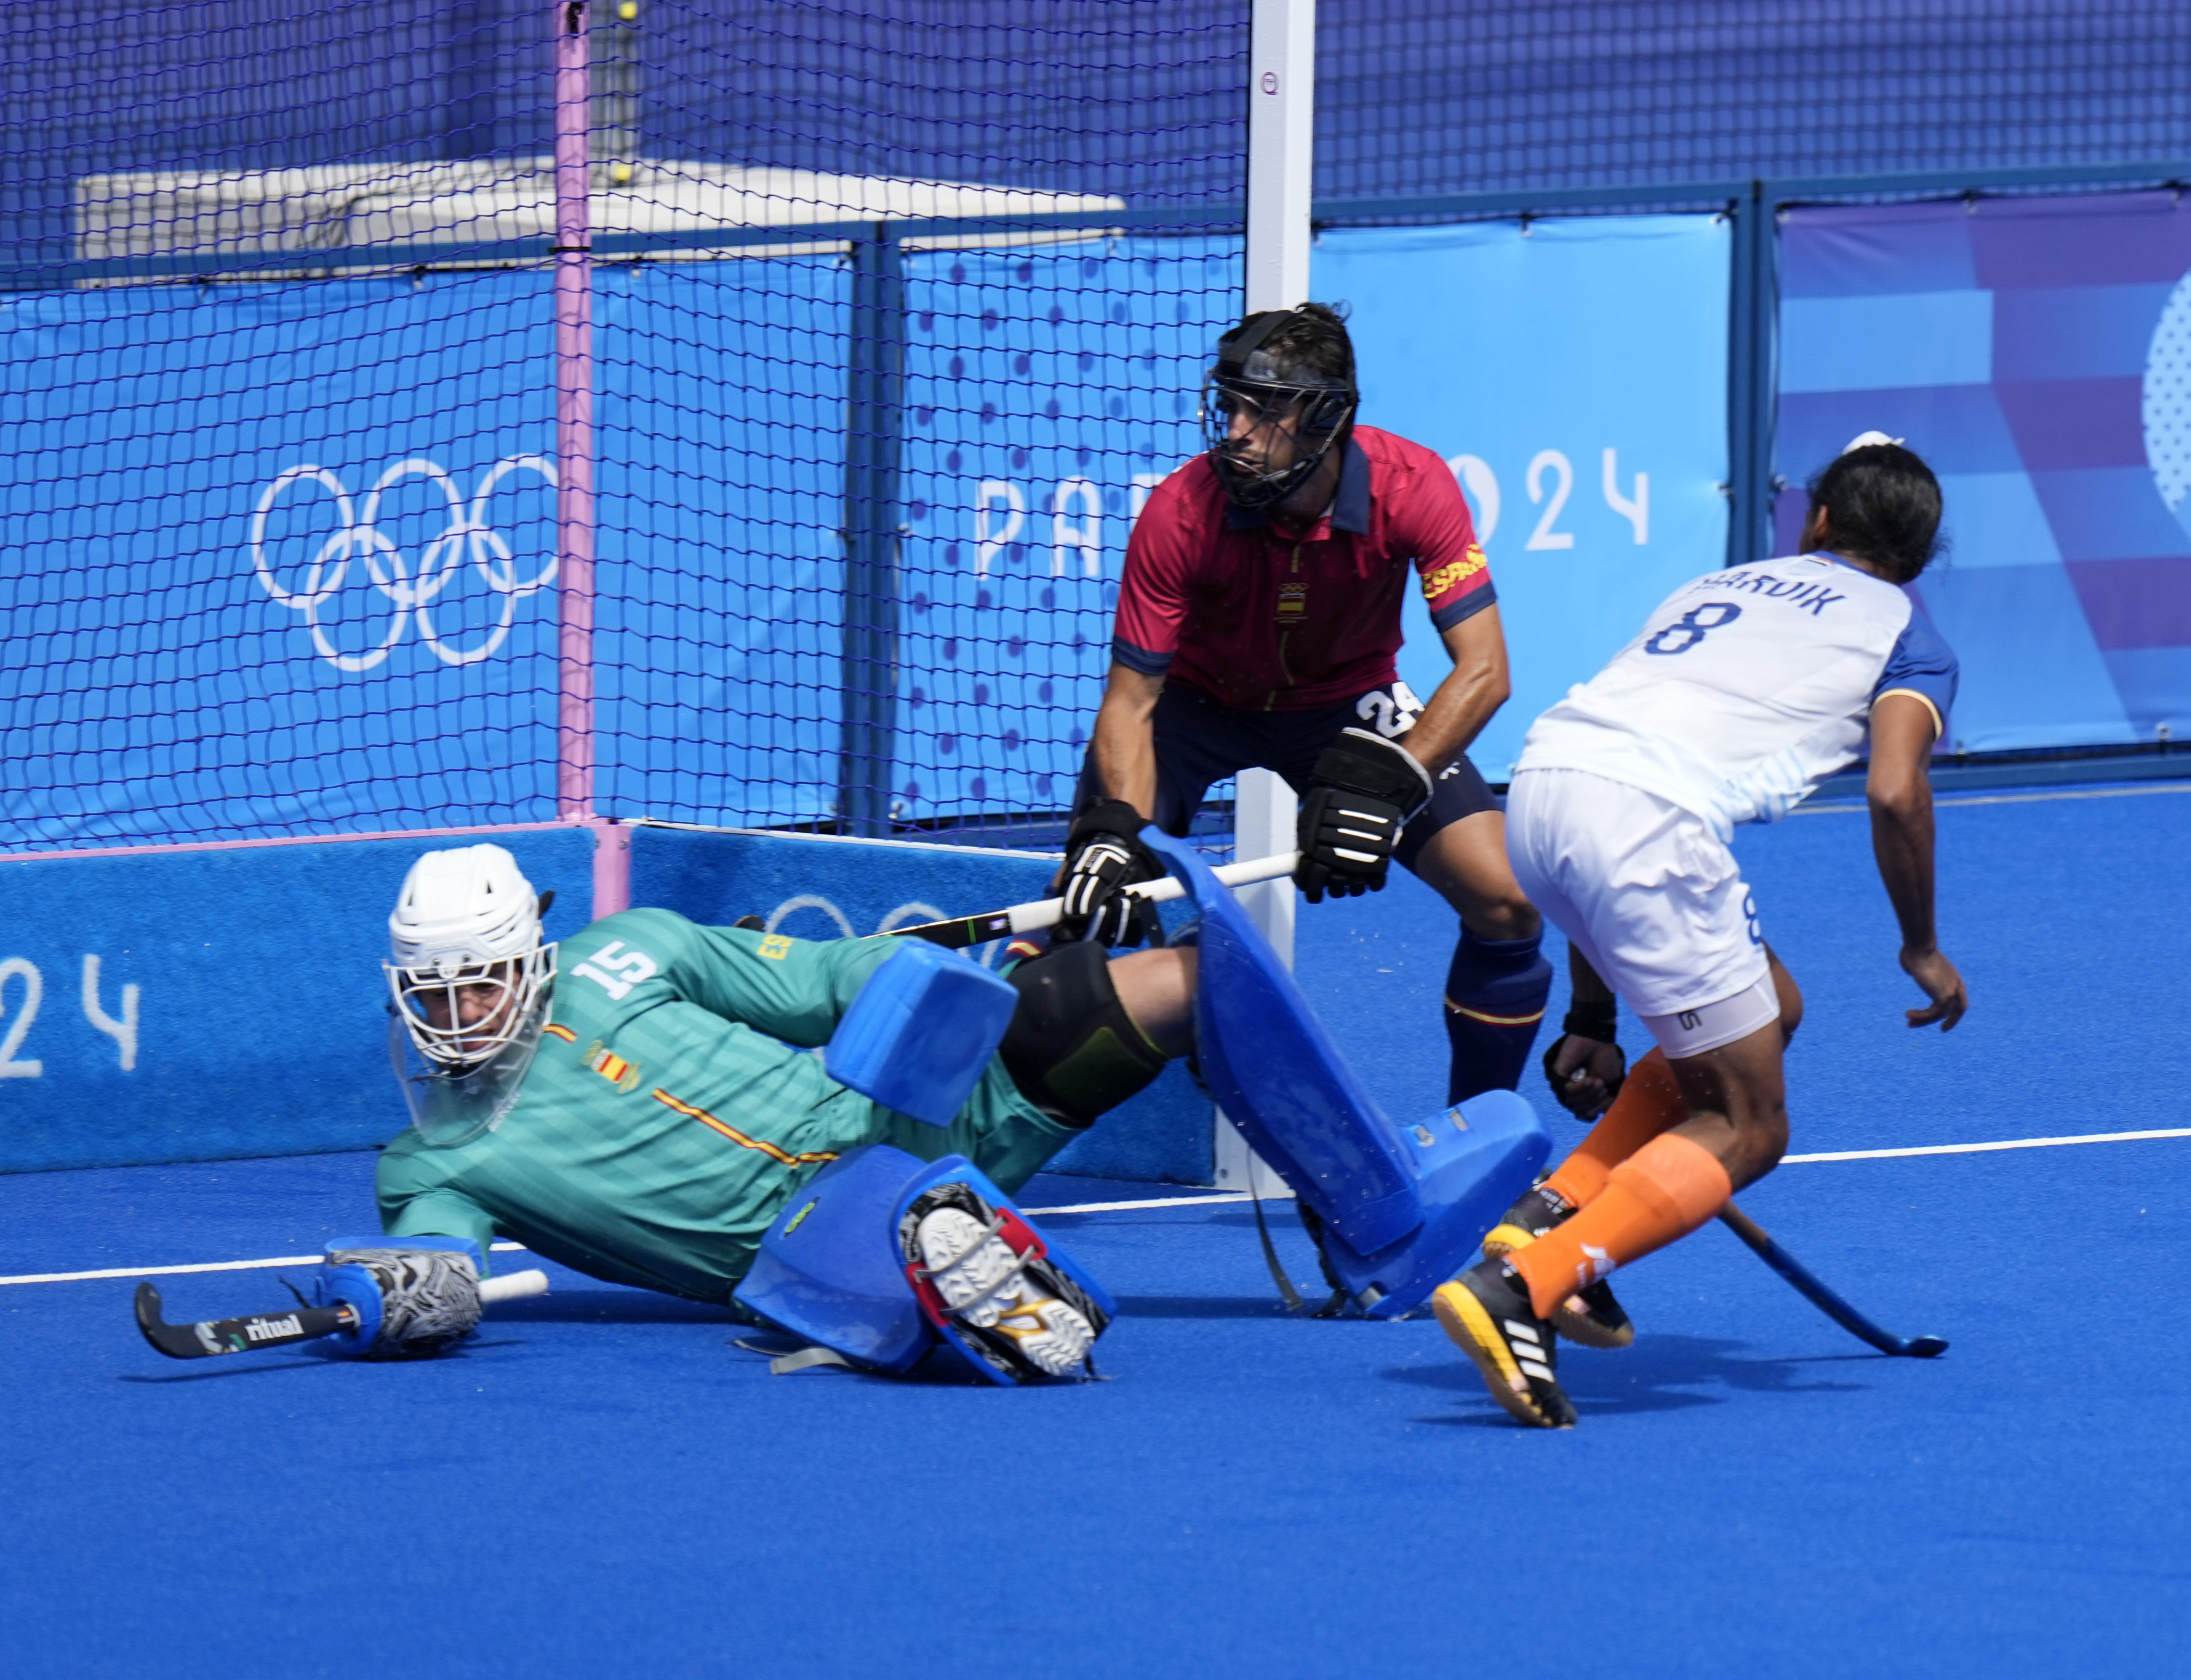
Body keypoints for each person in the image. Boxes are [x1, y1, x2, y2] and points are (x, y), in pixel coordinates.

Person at [1433, 435, 1970, 1428]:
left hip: (1544, 793)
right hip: (1645, 828)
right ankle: (1530, 1284)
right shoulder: (1910, 638)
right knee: (1750, 1124)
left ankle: (1541, 1218)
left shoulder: (1720, 585)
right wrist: (1920, 945)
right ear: (1920, 559)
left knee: (1774, 1007)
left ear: (1817, 521)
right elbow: (1896, 790)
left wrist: (1592, 1014)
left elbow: (1604, 809)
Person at [372, 843, 1197, 1379]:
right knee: (904, 1270)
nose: (463, 1012)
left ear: (530, 955)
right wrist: (401, 1295)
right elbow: (437, 1263)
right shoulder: (433, 1159)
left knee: (1087, 997)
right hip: (806, 1240)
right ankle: (957, 1278)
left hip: (897, 1113)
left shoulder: (637, 947)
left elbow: (820, 980)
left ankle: (1307, 1161)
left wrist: (898, 980)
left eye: (483, 981)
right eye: (434, 994)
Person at [1054, 302, 1552, 1106]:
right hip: (1194, 708)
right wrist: (1115, 831)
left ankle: (1479, 1132)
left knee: (1505, 900)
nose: (1236, 431)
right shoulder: (1179, 511)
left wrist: (1386, 782)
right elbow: (1130, 703)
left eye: (1261, 409)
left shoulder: (1413, 485)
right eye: (1230, 406)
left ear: (1325, 417)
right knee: (1083, 909)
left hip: (1346, 705)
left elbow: (1485, 672)